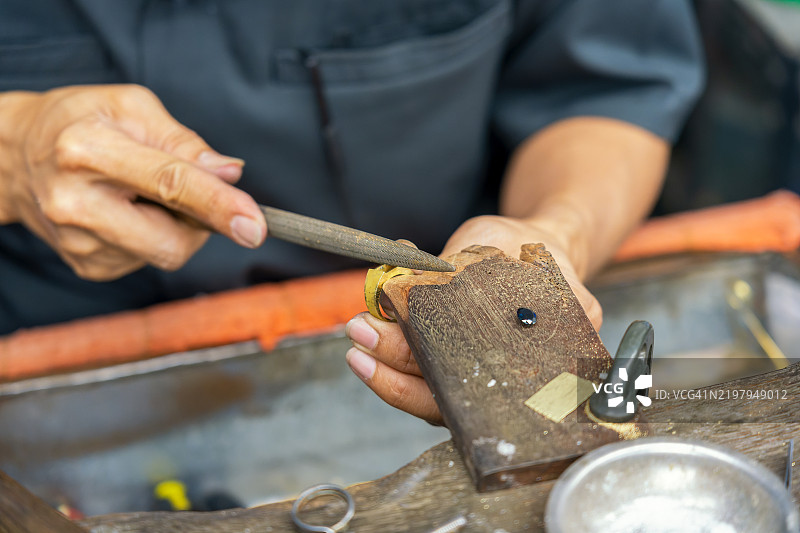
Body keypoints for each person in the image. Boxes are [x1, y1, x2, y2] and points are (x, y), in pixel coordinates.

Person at [0, 1, 703, 423]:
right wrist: (13, 153)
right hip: (49, 347)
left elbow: (608, 88)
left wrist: (552, 232)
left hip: (397, 319)